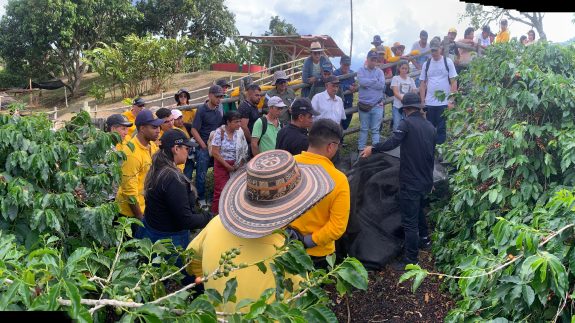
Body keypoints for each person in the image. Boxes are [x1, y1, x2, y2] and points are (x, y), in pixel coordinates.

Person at [186, 149, 334, 312]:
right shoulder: (287, 256)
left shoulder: (216, 223)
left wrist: (208, 281)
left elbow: (191, 259)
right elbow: (300, 305)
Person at [361, 93, 435, 269]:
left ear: (406, 109)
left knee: (409, 221)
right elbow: (431, 156)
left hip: (411, 181)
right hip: (425, 180)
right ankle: (425, 240)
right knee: (418, 211)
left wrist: (374, 148)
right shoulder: (430, 127)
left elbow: (393, 142)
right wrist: (430, 181)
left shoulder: (406, 123)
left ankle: (411, 259)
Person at [139, 129, 210, 283]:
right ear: (176, 149)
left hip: (153, 230)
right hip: (170, 239)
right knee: (188, 279)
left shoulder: (158, 168)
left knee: (155, 277)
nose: (189, 151)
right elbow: (187, 220)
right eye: (186, 148)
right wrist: (209, 218)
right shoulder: (173, 179)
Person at [287, 119, 350, 267]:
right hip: (318, 254)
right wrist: (308, 241)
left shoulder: (288, 166)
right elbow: (337, 227)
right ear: (330, 146)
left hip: (284, 248)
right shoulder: (338, 180)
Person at [116, 109, 163, 222]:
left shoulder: (151, 145)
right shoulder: (131, 154)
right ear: (142, 128)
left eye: (159, 127)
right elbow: (129, 192)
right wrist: (140, 219)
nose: (158, 131)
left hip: (146, 206)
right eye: (154, 127)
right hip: (130, 214)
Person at [191, 85, 224, 209]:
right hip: (204, 145)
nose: (219, 99)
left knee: (219, 171)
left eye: (221, 97)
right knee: (201, 173)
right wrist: (203, 145)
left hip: (217, 146)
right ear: (210, 95)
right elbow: (194, 129)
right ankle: (201, 197)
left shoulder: (220, 107)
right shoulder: (201, 110)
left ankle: (217, 196)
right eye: (217, 96)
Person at [419, 37, 457, 145]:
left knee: (441, 129)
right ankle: (429, 150)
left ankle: (440, 151)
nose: (434, 52)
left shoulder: (447, 62)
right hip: (429, 102)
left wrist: (451, 100)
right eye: (432, 50)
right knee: (429, 129)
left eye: (436, 50)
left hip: (444, 102)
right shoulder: (426, 64)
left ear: (440, 48)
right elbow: (422, 84)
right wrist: (422, 102)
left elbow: (454, 82)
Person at [210, 111, 248, 214]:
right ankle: (216, 215)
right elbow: (215, 152)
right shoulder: (220, 132)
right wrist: (227, 166)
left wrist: (239, 163)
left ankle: (232, 213)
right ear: (228, 122)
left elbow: (244, 149)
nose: (239, 124)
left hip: (236, 164)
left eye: (240, 121)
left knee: (236, 190)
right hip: (221, 164)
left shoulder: (239, 132)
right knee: (221, 191)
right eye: (236, 122)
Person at [357, 50, 386, 152]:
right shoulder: (360, 70)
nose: (374, 61)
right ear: (367, 59)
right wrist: (374, 81)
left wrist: (368, 83)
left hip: (377, 105)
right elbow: (362, 82)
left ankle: (375, 150)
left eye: (375, 59)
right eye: (372, 59)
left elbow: (381, 85)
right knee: (364, 129)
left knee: (375, 130)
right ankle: (361, 149)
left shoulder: (380, 72)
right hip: (364, 106)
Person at [390, 60, 417, 131]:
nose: (404, 70)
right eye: (403, 68)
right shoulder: (395, 78)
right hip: (398, 106)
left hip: (408, 107)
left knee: (407, 124)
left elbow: (414, 92)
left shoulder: (411, 80)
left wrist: (408, 102)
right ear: (399, 69)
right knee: (397, 124)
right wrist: (404, 100)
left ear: (408, 69)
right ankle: (396, 140)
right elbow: (395, 93)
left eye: (406, 68)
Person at [333, 55, 357, 130]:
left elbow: (353, 83)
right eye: (345, 64)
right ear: (340, 63)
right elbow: (335, 85)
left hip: (349, 101)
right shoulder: (335, 73)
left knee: (347, 119)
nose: (346, 66)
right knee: (337, 121)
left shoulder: (352, 73)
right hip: (338, 102)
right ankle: (339, 139)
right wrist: (348, 87)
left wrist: (354, 85)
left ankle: (342, 135)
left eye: (348, 65)